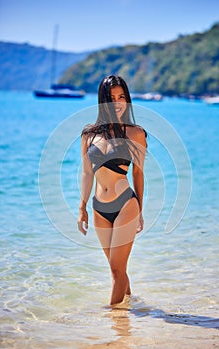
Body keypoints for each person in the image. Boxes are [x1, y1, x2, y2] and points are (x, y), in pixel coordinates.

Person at [77, 75, 147, 306]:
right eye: (111, 98)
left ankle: (112, 318)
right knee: (116, 269)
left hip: (126, 204)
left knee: (117, 271)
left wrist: (140, 211)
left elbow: (138, 173)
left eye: (122, 97)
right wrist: (82, 207)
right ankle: (130, 308)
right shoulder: (89, 135)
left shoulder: (135, 133)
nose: (117, 103)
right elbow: (87, 173)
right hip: (99, 208)